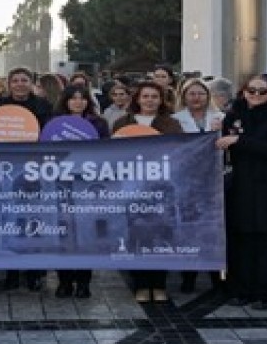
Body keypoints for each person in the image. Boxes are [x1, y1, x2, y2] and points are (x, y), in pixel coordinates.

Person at [217, 75, 267, 308]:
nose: (256, 95)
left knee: (265, 242)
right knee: (240, 240)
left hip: (266, 187)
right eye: (252, 91)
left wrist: (240, 141)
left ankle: (265, 292)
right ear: (244, 92)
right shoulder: (233, 114)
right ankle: (241, 290)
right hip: (239, 186)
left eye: (263, 92)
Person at [111, 80, 183, 303]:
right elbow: (114, 154)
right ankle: (140, 283)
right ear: (137, 99)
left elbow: (179, 152)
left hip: (161, 187)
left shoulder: (171, 124)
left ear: (161, 100)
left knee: (161, 234)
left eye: (154, 96)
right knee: (136, 234)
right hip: (132, 187)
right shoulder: (122, 122)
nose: (150, 100)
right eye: (145, 96)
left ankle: (159, 283)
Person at [0, 67, 55, 291]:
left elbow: (49, 136)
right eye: (15, 80)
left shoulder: (44, 107)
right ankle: (11, 271)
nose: (19, 84)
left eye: (24, 80)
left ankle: (35, 271)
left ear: (31, 82)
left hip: (35, 171)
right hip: (5, 171)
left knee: (35, 220)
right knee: (9, 220)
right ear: (8, 84)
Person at [52, 85, 110, 298]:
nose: (78, 102)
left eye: (82, 98)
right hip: (61, 185)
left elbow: (107, 153)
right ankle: (65, 280)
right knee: (64, 232)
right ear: (65, 101)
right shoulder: (54, 124)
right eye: (73, 98)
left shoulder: (100, 124)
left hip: (88, 185)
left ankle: (84, 281)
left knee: (86, 232)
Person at [172, 79, 224, 294]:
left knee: (214, 228)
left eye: (200, 93)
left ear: (207, 96)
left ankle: (216, 275)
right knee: (189, 229)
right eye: (191, 94)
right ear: (184, 97)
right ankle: (189, 276)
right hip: (187, 181)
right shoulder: (176, 120)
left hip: (215, 180)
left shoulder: (221, 118)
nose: (196, 97)